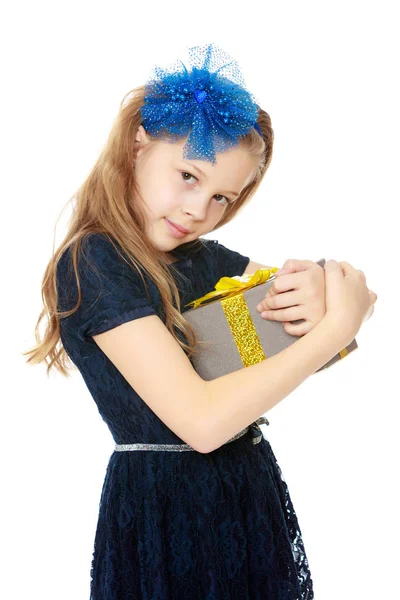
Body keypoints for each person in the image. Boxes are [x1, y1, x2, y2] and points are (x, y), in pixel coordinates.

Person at [24, 43, 377, 599]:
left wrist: (322, 279)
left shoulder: (205, 259)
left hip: (246, 492)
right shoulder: (94, 260)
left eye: (222, 197)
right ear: (138, 143)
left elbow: (346, 306)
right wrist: (336, 327)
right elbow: (204, 424)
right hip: (165, 510)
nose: (199, 210)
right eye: (188, 176)